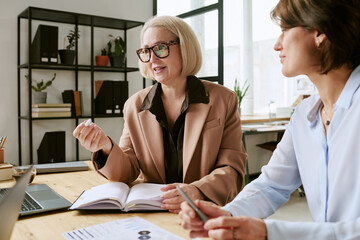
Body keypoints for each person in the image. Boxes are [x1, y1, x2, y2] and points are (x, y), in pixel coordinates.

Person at [179, 0, 360, 239]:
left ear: (320, 32)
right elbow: (270, 186)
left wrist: (270, 233)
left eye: (285, 30)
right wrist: (226, 215)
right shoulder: (305, 115)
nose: (277, 44)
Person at [73, 15, 247, 213]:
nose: (153, 59)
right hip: (153, 211)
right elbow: (128, 169)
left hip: (204, 210)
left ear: (185, 48)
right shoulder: (134, 105)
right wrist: (104, 146)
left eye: (161, 48)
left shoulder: (223, 99)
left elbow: (233, 170)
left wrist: (198, 190)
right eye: (146, 51)